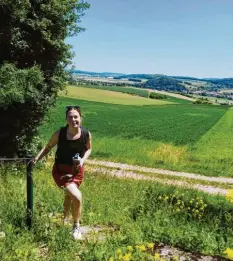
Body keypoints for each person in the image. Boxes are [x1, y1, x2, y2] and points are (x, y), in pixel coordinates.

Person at [30, 105, 92, 240]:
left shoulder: (86, 134)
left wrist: (82, 161)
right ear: (66, 119)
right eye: (70, 117)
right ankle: (76, 227)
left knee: (69, 195)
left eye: (76, 116)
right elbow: (48, 147)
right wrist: (36, 158)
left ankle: (65, 218)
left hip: (77, 171)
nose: (73, 119)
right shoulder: (60, 134)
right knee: (76, 196)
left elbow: (88, 149)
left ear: (80, 118)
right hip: (61, 171)